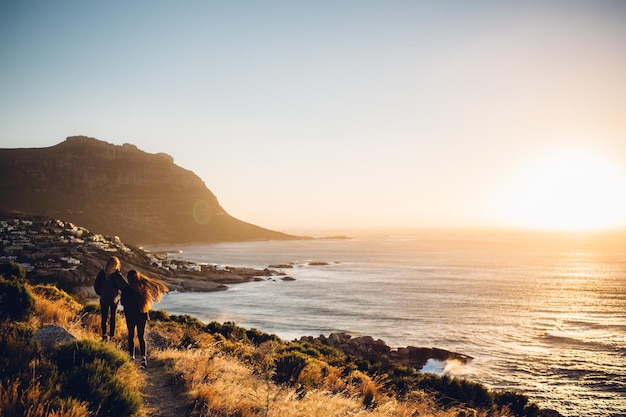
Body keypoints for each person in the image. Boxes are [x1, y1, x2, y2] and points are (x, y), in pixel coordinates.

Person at [120, 269, 168, 367]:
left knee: (131, 336)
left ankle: (131, 357)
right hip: (142, 315)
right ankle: (143, 358)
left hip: (130, 316)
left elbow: (123, 302)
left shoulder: (126, 289)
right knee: (141, 337)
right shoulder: (142, 288)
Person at [94, 256, 125, 341]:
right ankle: (112, 336)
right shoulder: (116, 275)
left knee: (104, 318)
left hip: (104, 298)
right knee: (113, 317)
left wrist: (100, 293)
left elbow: (96, 285)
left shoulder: (102, 273)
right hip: (114, 299)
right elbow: (123, 286)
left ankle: (104, 335)